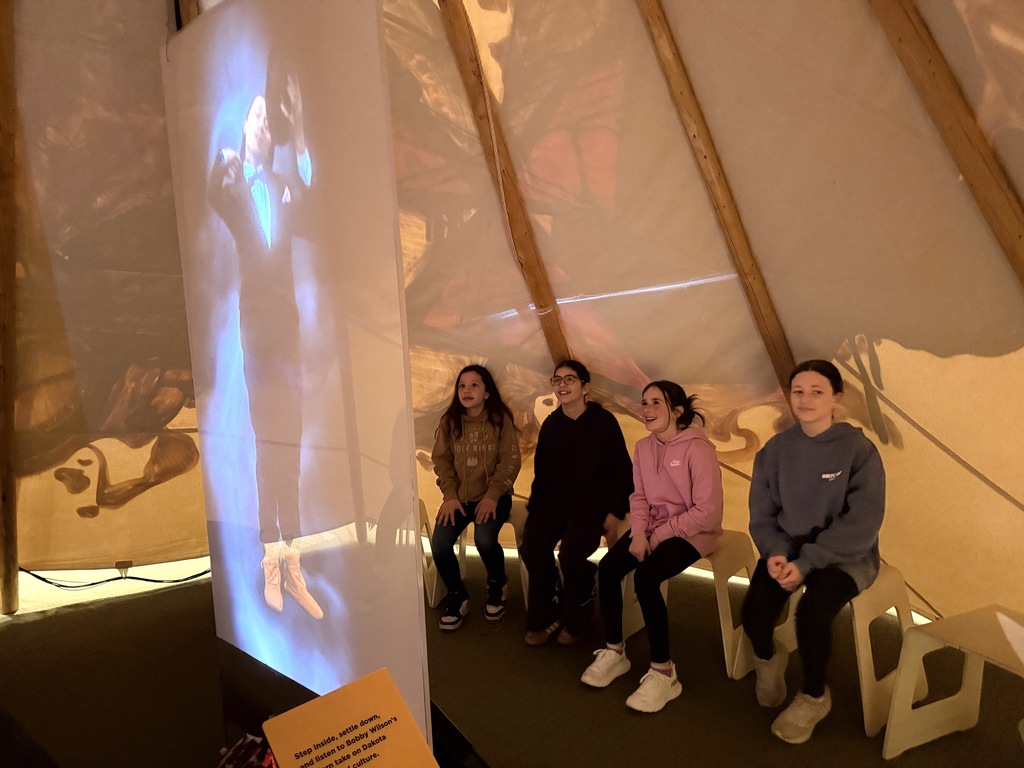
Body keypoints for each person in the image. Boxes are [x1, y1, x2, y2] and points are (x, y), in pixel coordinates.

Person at [209, 73, 322, 619]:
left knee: (291, 452)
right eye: (254, 116)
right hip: (257, 343)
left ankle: (294, 564)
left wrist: (299, 129)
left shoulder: (283, 181)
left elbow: (310, 189)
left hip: (289, 343)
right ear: (244, 128)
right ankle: (269, 564)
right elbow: (214, 193)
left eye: (266, 117)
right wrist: (226, 159)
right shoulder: (232, 181)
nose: (262, 122)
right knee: (267, 453)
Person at [741, 359, 885, 744]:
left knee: (813, 613)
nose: (805, 400)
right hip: (787, 548)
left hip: (843, 555)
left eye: (817, 391)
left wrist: (807, 563)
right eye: (798, 391)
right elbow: (763, 512)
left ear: (836, 397)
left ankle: (814, 695)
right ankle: (770, 659)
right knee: (754, 611)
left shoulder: (857, 450)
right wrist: (773, 551)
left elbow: (863, 523)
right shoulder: (775, 450)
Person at [581, 381, 723, 713]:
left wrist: (658, 537)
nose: (646, 409)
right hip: (654, 528)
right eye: (644, 402)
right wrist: (641, 533)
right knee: (609, 568)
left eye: (656, 403)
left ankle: (664, 671)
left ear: (677, 411)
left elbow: (707, 511)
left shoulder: (698, 449)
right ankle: (615, 652)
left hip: (693, 533)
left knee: (646, 579)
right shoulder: (643, 447)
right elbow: (640, 497)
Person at [520, 360, 633, 646]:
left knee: (570, 555)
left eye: (570, 379)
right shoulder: (551, 425)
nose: (562, 385)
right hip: (554, 502)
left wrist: (615, 512)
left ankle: (579, 610)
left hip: (592, 503)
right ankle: (547, 613)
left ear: (585, 388)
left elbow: (622, 470)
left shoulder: (604, 422)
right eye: (557, 380)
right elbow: (542, 474)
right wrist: (534, 513)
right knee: (532, 548)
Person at [430, 365, 521, 631]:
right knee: (440, 543)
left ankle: (497, 584)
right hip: (458, 499)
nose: (467, 391)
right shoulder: (449, 422)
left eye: (474, 385)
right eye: (462, 386)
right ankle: (458, 595)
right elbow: (442, 462)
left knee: (484, 538)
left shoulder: (500, 420)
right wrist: (449, 496)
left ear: (487, 392)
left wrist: (492, 496)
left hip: (494, 497)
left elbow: (510, 462)